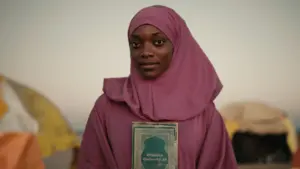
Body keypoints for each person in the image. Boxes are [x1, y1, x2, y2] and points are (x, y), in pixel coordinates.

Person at [78, 5, 238, 169]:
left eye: (158, 42)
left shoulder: (205, 114)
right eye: (136, 44)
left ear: (177, 46)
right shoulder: (107, 107)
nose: (145, 52)